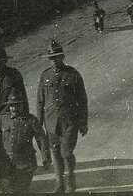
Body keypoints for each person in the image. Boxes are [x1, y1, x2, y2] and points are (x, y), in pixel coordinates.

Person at [37, 40, 88, 193]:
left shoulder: (72, 74)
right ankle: (59, 183)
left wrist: (83, 122)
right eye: (51, 58)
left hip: (69, 121)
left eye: (56, 57)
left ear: (63, 57)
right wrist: (39, 123)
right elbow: (40, 101)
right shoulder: (45, 76)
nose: (54, 61)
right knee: (55, 153)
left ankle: (70, 179)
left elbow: (82, 100)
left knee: (66, 152)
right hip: (51, 121)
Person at [0, 92, 50, 193]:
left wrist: (46, 158)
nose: (14, 108)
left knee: (21, 190)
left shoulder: (31, 120)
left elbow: (42, 139)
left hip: (25, 164)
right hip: (7, 164)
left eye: (17, 105)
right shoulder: (3, 119)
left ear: (22, 105)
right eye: (11, 106)